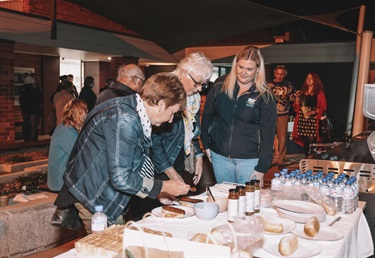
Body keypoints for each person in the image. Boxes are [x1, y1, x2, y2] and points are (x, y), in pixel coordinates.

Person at [54, 72, 190, 234]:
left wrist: (158, 191)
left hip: (100, 190)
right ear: (161, 104)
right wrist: (163, 186)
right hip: (94, 195)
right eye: (172, 112)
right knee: (107, 248)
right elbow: (121, 178)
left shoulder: (132, 110)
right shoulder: (125, 118)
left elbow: (130, 164)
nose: (170, 119)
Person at [201, 46, 277, 184]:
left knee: (247, 203)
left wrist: (262, 167)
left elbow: (268, 133)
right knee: (224, 201)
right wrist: (206, 145)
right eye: (241, 67)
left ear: (258, 69)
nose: (244, 73)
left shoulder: (265, 96)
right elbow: (207, 116)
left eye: (249, 69)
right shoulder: (220, 86)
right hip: (219, 156)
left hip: (249, 160)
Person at [47, 99, 88, 192]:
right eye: (86, 111)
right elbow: (80, 156)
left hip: (63, 182)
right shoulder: (67, 131)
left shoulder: (65, 128)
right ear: (79, 114)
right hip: (61, 184)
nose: (87, 114)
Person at [292, 72, 327, 157]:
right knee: (304, 139)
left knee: (312, 139)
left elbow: (323, 107)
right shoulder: (302, 92)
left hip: (313, 118)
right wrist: (296, 102)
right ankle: (306, 156)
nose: (308, 80)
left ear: (315, 80)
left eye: (311, 78)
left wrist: (314, 112)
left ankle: (312, 156)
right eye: (307, 78)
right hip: (302, 118)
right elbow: (296, 108)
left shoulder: (319, 93)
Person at [268, 65, 296, 169]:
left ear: (284, 75)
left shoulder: (289, 84)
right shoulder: (269, 84)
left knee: (283, 138)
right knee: (268, 137)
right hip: (269, 114)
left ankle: (281, 160)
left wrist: (286, 97)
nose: (279, 76)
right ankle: (268, 159)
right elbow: (267, 97)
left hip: (283, 114)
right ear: (275, 73)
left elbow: (293, 97)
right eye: (278, 74)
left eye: (282, 74)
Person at [19, 74, 41, 142]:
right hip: (33, 111)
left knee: (27, 125)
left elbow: (21, 101)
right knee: (33, 127)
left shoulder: (23, 90)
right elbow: (39, 98)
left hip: (25, 111)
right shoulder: (34, 90)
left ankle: (27, 140)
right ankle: (33, 141)